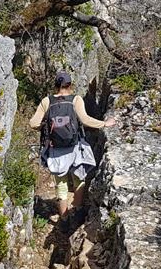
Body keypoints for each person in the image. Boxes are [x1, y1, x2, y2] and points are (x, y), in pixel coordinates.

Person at [29, 71, 115, 221]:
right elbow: (85, 120)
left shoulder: (46, 101)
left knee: (61, 186)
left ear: (55, 85)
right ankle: (77, 211)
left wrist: (46, 127)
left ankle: (63, 219)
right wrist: (104, 124)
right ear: (70, 85)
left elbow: (33, 123)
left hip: (55, 150)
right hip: (75, 148)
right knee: (79, 180)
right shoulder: (76, 100)